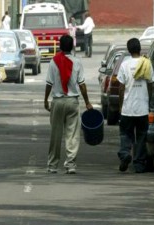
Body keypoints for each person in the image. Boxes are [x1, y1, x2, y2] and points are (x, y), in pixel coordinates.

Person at [44, 35, 93, 174]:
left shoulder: (53, 62)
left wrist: (45, 100)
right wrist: (87, 102)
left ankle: (52, 165)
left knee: (56, 134)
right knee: (72, 134)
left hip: (57, 101)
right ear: (72, 47)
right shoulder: (77, 62)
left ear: (60, 46)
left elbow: (49, 84)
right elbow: (82, 85)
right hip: (72, 102)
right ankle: (70, 164)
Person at [117, 38, 153, 173]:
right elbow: (150, 84)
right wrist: (148, 100)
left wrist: (121, 105)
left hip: (128, 108)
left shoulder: (125, 65)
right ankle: (138, 164)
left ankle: (125, 154)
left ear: (129, 50)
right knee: (141, 136)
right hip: (142, 109)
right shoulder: (147, 63)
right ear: (139, 49)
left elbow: (121, 88)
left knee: (125, 134)